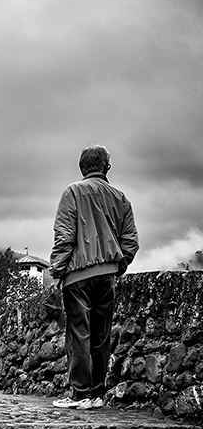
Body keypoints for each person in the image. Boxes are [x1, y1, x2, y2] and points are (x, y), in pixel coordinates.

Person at [49, 145, 139, 410]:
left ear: (82, 167)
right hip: (107, 276)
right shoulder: (120, 198)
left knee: (79, 334)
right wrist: (117, 265)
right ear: (106, 167)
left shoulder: (72, 192)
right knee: (101, 335)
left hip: (77, 276)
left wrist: (57, 272)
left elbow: (64, 236)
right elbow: (130, 240)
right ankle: (98, 393)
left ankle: (80, 394)